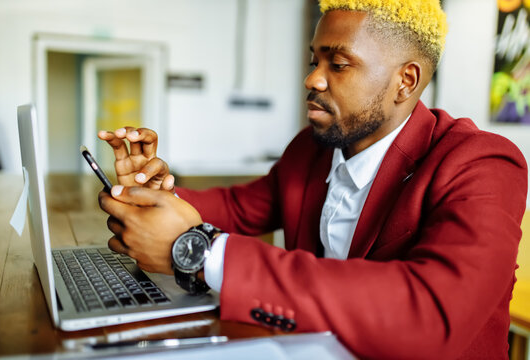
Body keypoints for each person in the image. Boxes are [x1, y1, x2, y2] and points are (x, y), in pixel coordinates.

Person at [98, 0, 529, 358]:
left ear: (406, 81)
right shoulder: (311, 148)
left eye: (338, 64)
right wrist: (151, 194)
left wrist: (203, 253)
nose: (311, 78)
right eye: (313, 59)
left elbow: (432, 316)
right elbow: (236, 207)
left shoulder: (482, 163)